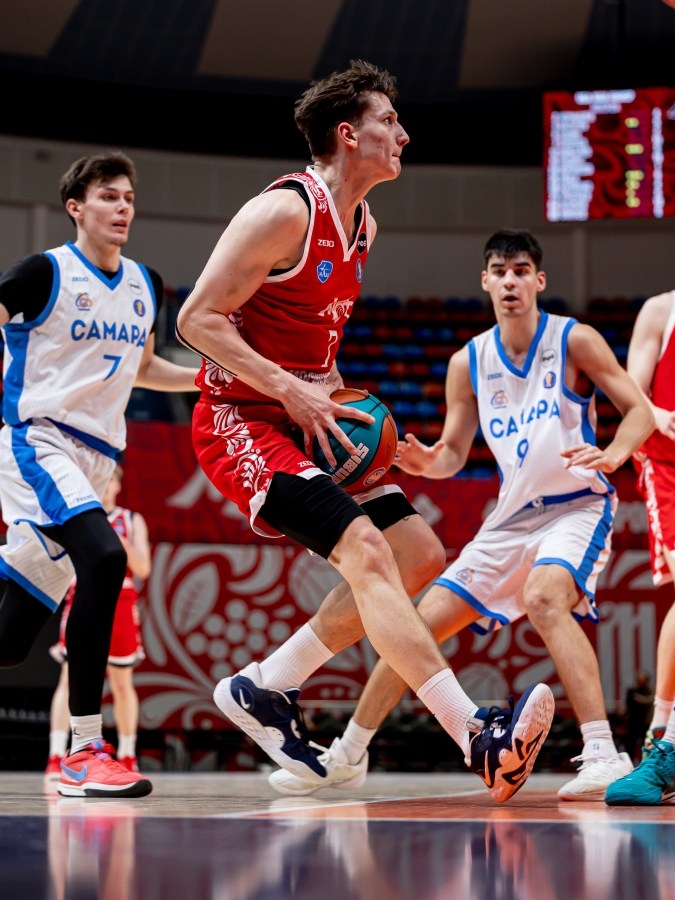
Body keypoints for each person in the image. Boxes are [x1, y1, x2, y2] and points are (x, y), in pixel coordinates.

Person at [177, 62, 555, 803]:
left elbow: (315, 346)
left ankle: (268, 683)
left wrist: (340, 405)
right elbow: (196, 320)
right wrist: (290, 390)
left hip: (309, 415)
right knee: (368, 550)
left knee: (419, 554)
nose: (402, 134)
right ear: (348, 134)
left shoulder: (363, 226)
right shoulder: (283, 211)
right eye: (389, 120)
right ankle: (476, 735)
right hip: (239, 419)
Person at [267, 228, 655, 802]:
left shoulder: (574, 340)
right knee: (414, 625)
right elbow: (452, 452)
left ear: (539, 280)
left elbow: (638, 411)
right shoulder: (467, 362)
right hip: (509, 519)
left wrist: (615, 453)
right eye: (499, 271)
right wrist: (429, 462)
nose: (510, 281)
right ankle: (348, 754)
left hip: (575, 505)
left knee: (545, 598)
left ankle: (602, 752)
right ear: (485, 281)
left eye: (520, 271)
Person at [0, 152, 199, 797]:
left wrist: (210, 379)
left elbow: (145, 368)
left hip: (96, 456)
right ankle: (85, 752)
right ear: (76, 207)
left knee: (10, 640)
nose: (122, 208)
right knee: (107, 558)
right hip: (40, 441)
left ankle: (84, 752)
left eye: (129, 198)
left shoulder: (146, 284)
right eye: (108, 196)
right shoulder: (42, 273)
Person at [605, 287, 675, 805]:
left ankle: (660, 733)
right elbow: (632, 394)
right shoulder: (662, 309)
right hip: (667, 462)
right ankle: (666, 746)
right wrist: (657, 412)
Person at [45, 465, 150, 782]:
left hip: (121, 602)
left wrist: (114, 541)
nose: (104, 487)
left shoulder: (130, 520)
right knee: (68, 679)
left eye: (110, 481)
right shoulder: (75, 517)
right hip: (81, 595)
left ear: (117, 485)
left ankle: (128, 754)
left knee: (122, 683)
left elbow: (143, 568)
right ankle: (56, 755)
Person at [624, 671, 654, 763]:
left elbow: (651, 700)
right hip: (633, 721)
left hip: (645, 721)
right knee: (631, 743)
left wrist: (641, 699)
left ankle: (645, 761)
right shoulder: (632, 691)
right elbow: (627, 705)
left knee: (646, 742)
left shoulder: (650, 690)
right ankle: (630, 761)